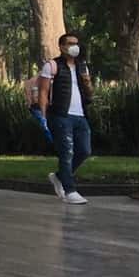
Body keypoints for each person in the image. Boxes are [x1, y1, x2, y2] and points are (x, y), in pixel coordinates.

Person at [39, 33, 94, 205]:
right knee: (66, 153)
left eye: (76, 43)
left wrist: (87, 83)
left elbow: (90, 93)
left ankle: (58, 176)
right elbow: (43, 92)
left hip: (80, 115)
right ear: (62, 46)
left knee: (85, 151)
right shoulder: (52, 65)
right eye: (70, 43)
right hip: (61, 115)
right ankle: (70, 191)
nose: (74, 47)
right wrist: (43, 117)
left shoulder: (82, 66)